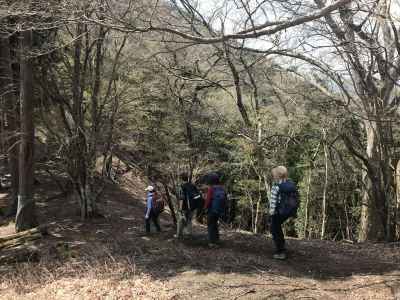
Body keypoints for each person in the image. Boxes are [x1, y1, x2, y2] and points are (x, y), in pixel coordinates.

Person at [269, 166, 298, 260]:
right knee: (277, 228)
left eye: (273, 175)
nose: (273, 177)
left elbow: (273, 202)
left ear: (277, 176)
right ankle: (281, 248)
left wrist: (271, 214)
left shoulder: (276, 187)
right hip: (288, 212)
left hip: (279, 212)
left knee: (274, 229)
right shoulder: (291, 184)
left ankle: (281, 251)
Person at [174, 172, 202, 239]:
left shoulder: (182, 186)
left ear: (181, 179)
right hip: (192, 207)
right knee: (189, 220)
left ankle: (178, 235)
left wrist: (180, 208)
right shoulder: (192, 185)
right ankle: (188, 234)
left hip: (184, 207)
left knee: (180, 220)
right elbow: (197, 195)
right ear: (187, 178)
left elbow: (182, 198)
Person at [204, 174, 227, 247]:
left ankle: (211, 242)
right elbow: (225, 200)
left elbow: (208, 200)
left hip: (212, 210)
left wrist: (205, 208)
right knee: (215, 225)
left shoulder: (211, 189)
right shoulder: (222, 189)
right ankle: (216, 240)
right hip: (219, 210)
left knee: (210, 225)